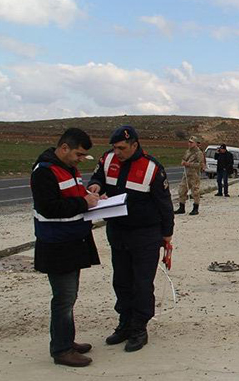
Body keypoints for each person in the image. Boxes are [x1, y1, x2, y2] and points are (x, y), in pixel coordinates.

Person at [87, 125, 174, 353]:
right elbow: (98, 178)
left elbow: (164, 203)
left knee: (142, 283)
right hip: (118, 231)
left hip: (145, 234)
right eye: (114, 148)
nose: (117, 153)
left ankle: (139, 328)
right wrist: (94, 185)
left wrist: (167, 233)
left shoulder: (152, 167)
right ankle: (124, 324)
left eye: (122, 148)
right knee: (122, 281)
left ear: (134, 145)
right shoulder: (107, 159)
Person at [31, 128, 100, 367]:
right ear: (64, 148)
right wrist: (83, 202)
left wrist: (86, 193)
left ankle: (67, 341)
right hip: (57, 244)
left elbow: (68, 196)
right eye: (79, 154)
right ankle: (61, 350)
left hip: (72, 240)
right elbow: (48, 207)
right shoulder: (44, 172)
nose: (81, 159)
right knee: (63, 298)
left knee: (69, 296)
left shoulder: (67, 168)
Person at [175, 136, 204, 215]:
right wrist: (183, 162)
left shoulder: (199, 153)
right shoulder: (188, 151)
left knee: (195, 191)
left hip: (194, 175)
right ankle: (182, 207)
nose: (189, 144)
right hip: (186, 174)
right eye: (189, 142)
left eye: (191, 142)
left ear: (195, 143)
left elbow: (201, 164)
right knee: (182, 190)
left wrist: (189, 164)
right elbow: (184, 158)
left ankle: (195, 208)